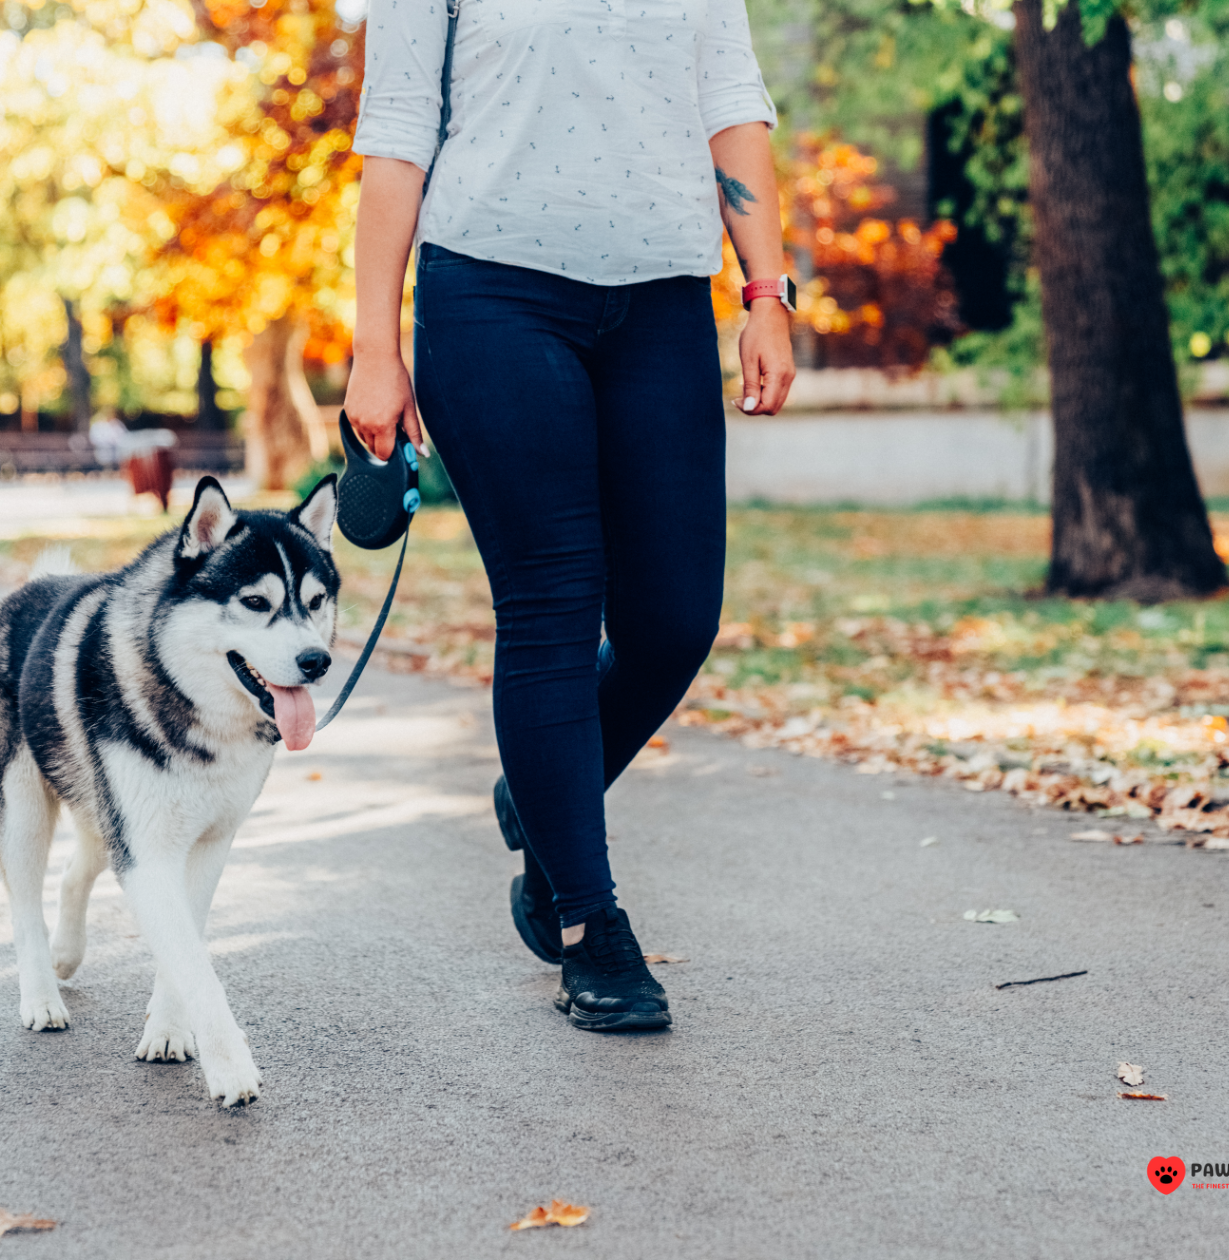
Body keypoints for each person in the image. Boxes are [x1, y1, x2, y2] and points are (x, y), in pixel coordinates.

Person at [344, 0, 797, 1033]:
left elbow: (729, 99)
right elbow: (398, 127)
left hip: (663, 301)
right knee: (551, 606)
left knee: (674, 620)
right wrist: (374, 345)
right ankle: (588, 925)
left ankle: (547, 795)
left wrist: (764, 291)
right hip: (492, 298)